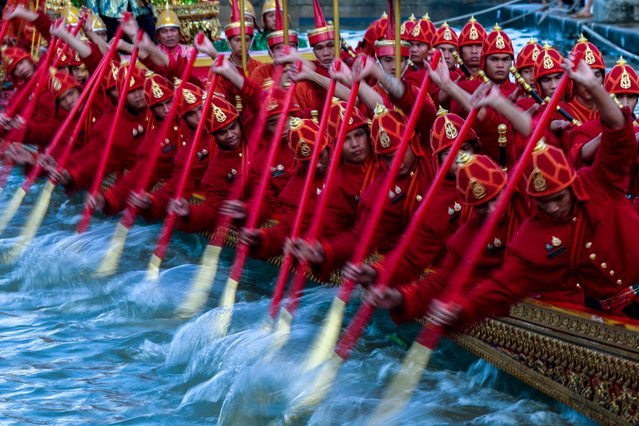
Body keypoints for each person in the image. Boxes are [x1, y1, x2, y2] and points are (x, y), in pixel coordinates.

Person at [428, 56, 639, 331]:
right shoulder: (536, 224)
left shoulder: (599, 183)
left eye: (631, 97)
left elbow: (617, 133)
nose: (625, 104)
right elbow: (504, 284)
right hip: (602, 303)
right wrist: (463, 309)